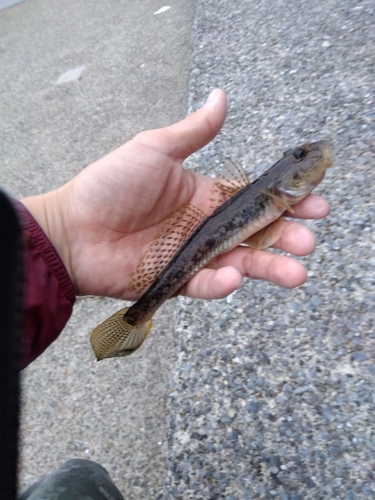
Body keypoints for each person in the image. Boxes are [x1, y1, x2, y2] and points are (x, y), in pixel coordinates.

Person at [3, 89, 329, 498]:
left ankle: (134, 317)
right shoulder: (272, 193)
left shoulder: (273, 194)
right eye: (301, 158)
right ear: (289, 181)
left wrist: (58, 233)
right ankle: (137, 317)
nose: (312, 159)